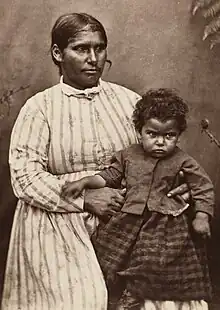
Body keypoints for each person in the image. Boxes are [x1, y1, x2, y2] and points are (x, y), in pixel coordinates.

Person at [1, 13, 190, 310]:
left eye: (99, 48)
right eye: (81, 49)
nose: (93, 58)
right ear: (57, 53)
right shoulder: (39, 108)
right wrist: (85, 199)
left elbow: (159, 154)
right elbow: (25, 178)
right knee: (84, 299)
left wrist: (178, 183)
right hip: (57, 217)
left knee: (168, 299)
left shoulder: (129, 102)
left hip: (125, 214)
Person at [62, 88, 214, 310]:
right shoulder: (128, 155)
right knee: (104, 250)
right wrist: (85, 182)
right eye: (152, 134)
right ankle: (104, 295)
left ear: (178, 135)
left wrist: (202, 216)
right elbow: (108, 177)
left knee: (151, 259)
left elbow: (203, 186)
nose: (160, 142)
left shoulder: (183, 160)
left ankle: (134, 294)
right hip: (127, 218)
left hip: (163, 223)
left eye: (168, 136)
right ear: (139, 131)